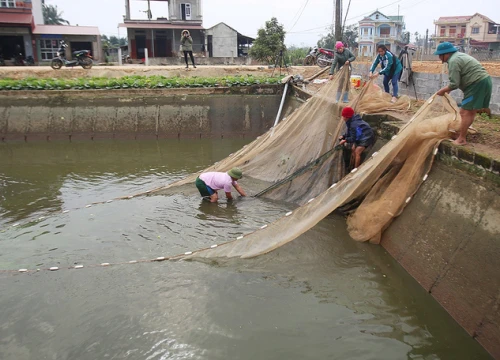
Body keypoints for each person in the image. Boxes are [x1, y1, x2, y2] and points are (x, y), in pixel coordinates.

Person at [434, 42, 493, 146]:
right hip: (484, 81)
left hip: (476, 84)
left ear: (446, 54)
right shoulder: (459, 56)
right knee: (470, 111)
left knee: (465, 112)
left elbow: (454, 84)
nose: (439, 57)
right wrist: (448, 90)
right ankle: (462, 134)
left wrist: (443, 90)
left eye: (440, 55)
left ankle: (461, 139)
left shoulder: (453, 61)